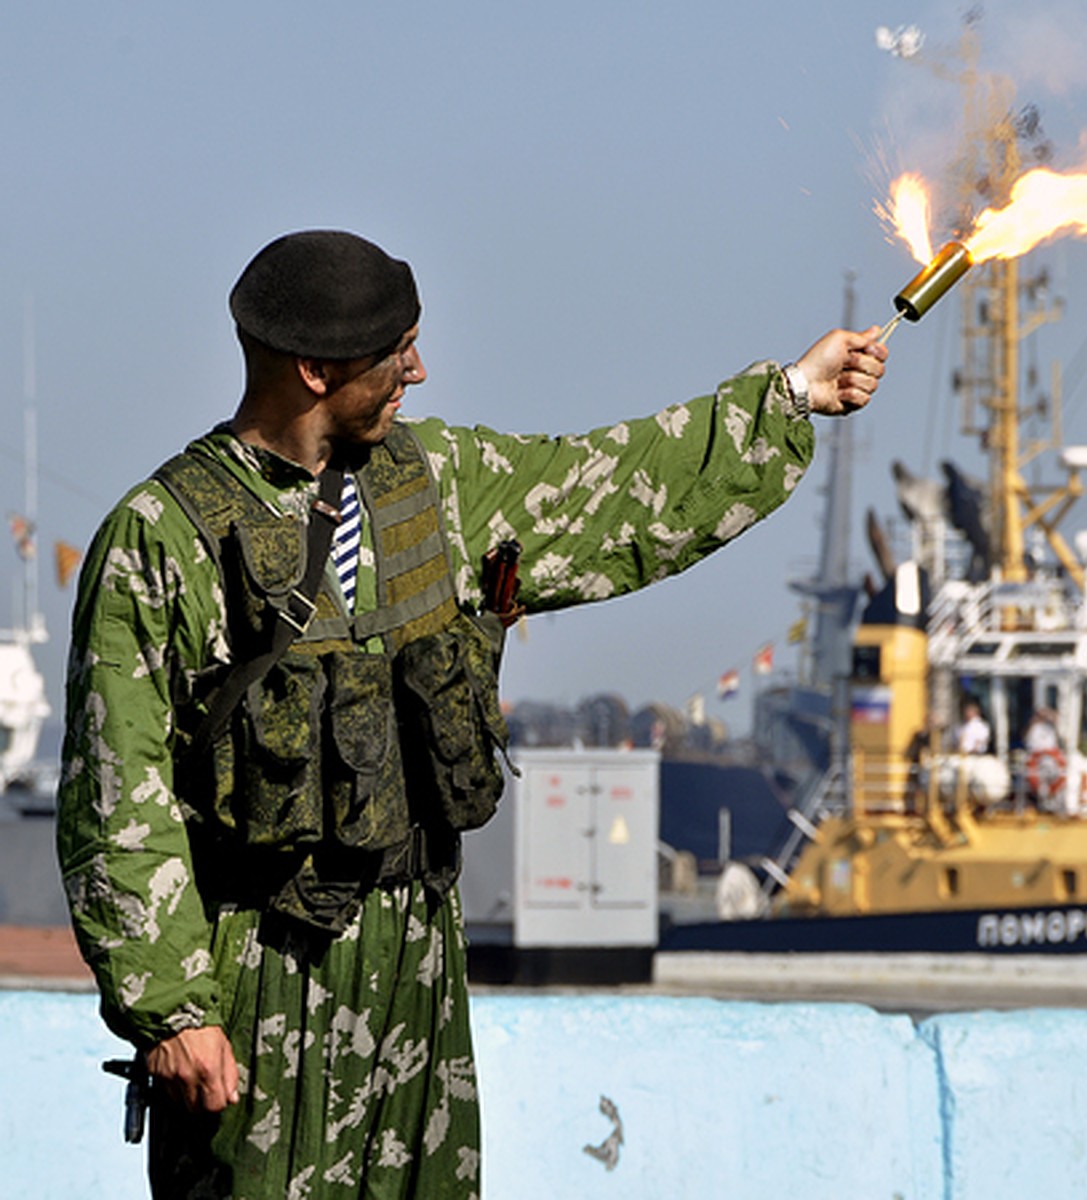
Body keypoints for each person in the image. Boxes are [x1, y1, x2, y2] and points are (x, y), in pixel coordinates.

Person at [57, 229, 887, 1198]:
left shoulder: (440, 483)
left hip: (414, 960)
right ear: (318, 369)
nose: (419, 367)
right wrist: (172, 1008)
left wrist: (788, 398)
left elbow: (619, 489)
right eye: (395, 350)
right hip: (259, 977)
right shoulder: (164, 538)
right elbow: (118, 792)